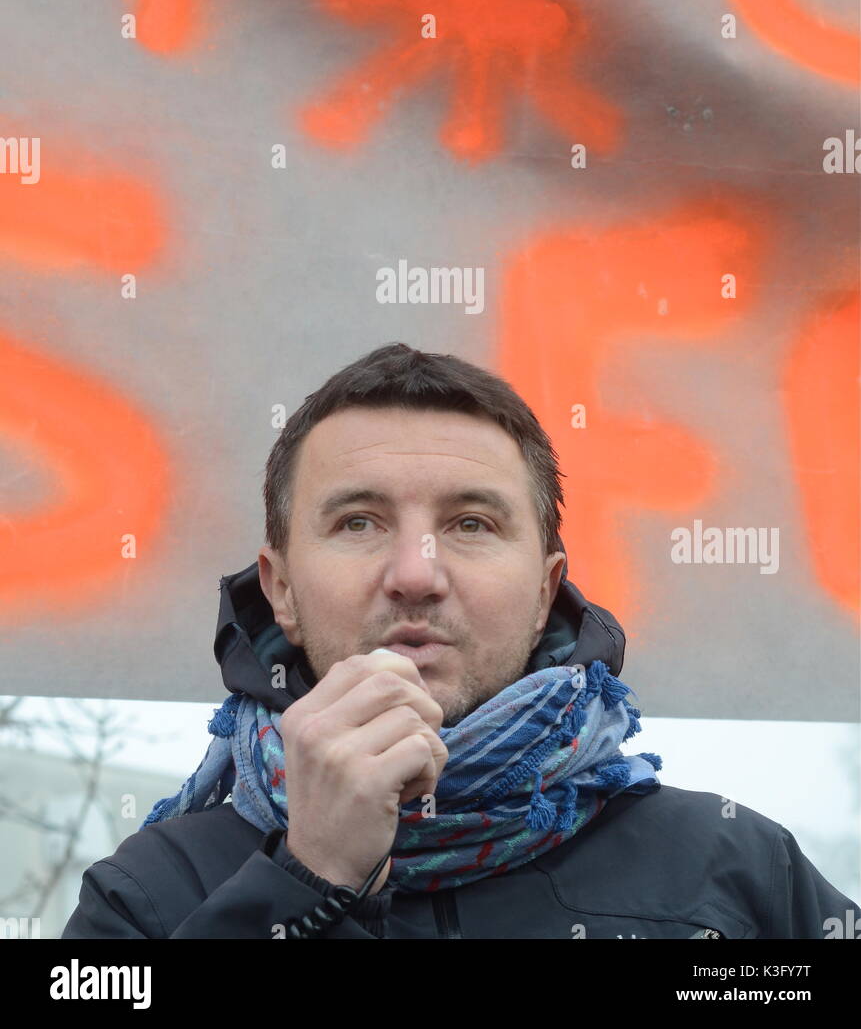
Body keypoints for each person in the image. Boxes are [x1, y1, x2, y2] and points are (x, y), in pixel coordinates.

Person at [63, 343, 859, 939]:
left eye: (470, 524)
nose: (416, 573)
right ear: (280, 590)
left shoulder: (736, 868)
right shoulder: (146, 896)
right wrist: (311, 878)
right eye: (359, 522)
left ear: (546, 588)